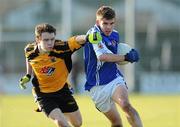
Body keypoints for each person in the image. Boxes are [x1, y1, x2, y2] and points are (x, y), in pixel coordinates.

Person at [19, 23, 88, 127]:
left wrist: (88, 37)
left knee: (78, 123)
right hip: (43, 94)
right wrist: (28, 75)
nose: (50, 43)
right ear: (38, 39)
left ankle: (59, 112)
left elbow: (76, 40)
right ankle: (56, 113)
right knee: (60, 122)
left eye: (52, 39)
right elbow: (28, 58)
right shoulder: (29, 50)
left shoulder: (61, 48)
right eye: (46, 40)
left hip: (62, 90)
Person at [84, 6, 143, 127]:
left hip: (114, 79)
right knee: (116, 123)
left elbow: (115, 57)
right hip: (96, 86)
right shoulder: (93, 34)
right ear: (97, 22)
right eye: (105, 23)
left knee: (126, 105)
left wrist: (126, 56)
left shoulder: (115, 35)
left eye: (112, 23)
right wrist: (127, 57)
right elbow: (102, 56)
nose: (109, 27)